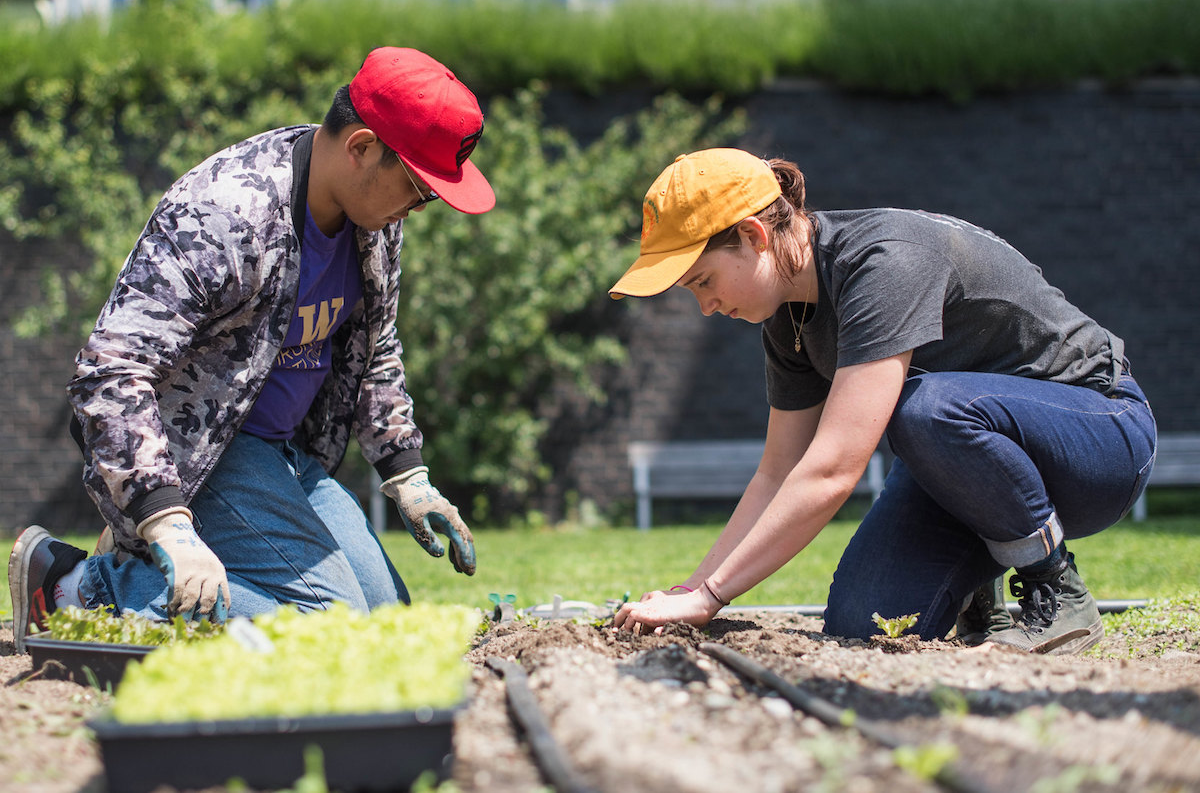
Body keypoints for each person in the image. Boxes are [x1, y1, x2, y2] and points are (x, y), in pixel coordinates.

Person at [8, 47, 493, 653]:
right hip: (195, 454)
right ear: (363, 147)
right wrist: (165, 520)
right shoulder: (224, 212)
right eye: (419, 189)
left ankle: (149, 578)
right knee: (326, 626)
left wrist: (407, 473)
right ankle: (77, 586)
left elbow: (377, 345)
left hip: (282, 454)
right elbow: (111, 372)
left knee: (383, 618)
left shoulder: (375, 220)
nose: (420, 208)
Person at [609, 148, 1156, 654]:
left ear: (754, 235)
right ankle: (979, 602)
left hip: (1101, 434)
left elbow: (833, 469)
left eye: (703, 281)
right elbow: (780, 471)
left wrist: (711, 594)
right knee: (862, 623)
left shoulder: (883, 262)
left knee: (927, 407)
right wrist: (688, 592)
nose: (705, 306)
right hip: (964, 467)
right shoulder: (788, 318)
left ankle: (1055, 589)